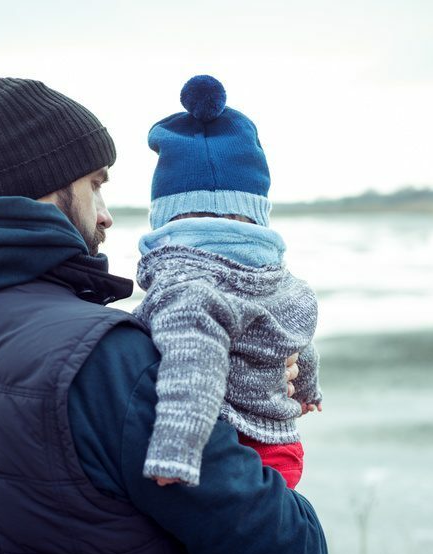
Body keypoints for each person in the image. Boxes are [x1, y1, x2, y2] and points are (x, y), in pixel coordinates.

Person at [0, 77, 327, 554]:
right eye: (95, 185)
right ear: (47, 184)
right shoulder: (109, 360)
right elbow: (287, 549)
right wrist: (244, 387)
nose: (106, 216)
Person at [134, 75, 323, 490]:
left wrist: (174, 454)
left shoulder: (186, 285)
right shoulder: (283, 282)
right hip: (284, 445)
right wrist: (309, 390)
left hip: (233, 445)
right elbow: (297, 339)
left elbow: (193, 365)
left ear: (165, 218)